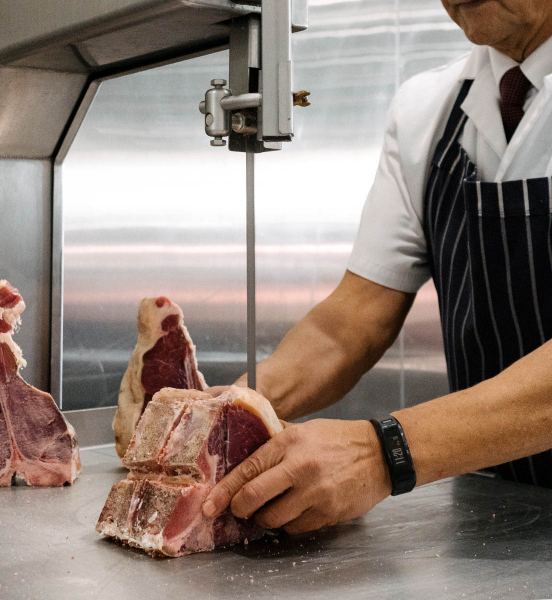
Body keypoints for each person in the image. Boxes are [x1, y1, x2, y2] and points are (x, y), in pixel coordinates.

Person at [202, 0, 552, 534]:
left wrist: (383, 452)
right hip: (501, 514)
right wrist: (231, 410)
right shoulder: (427, 109)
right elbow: (349, 324)